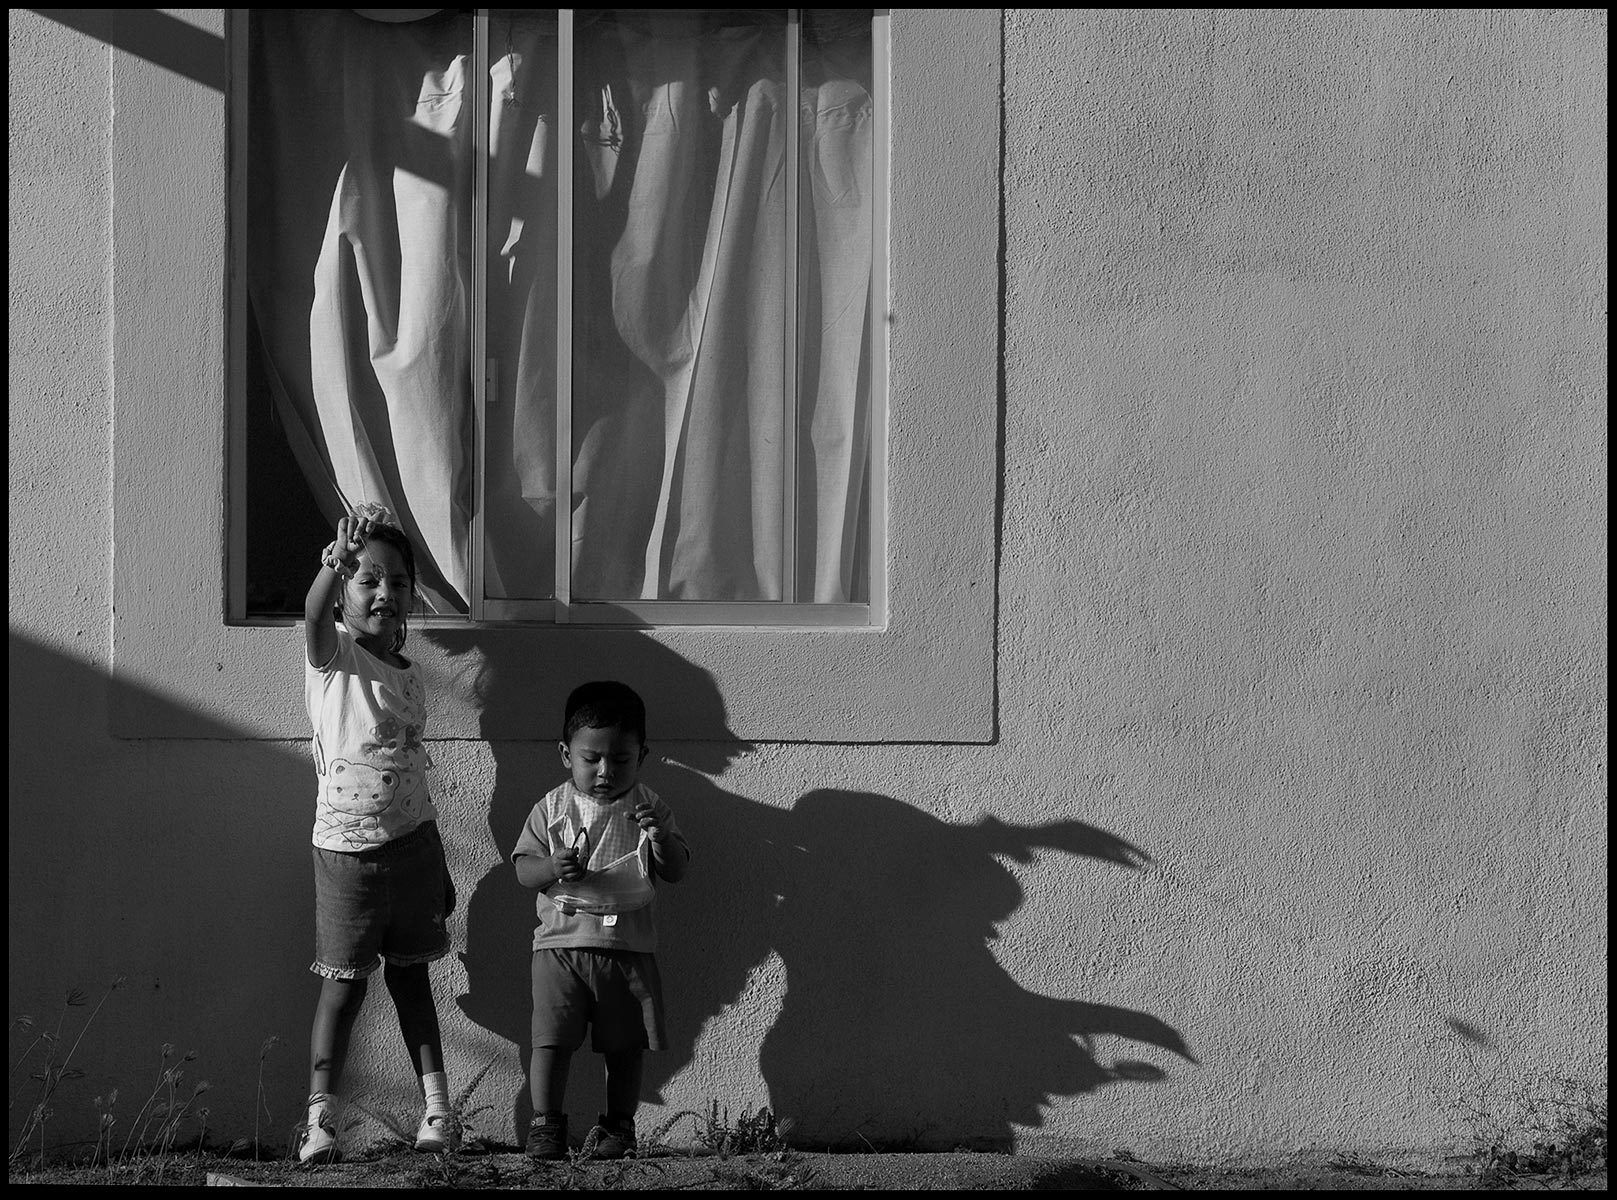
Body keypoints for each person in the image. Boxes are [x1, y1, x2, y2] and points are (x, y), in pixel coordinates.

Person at [295, 504, 459, 1164]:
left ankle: (440, 1115)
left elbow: (417, 776)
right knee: (342, 988)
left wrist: (440, 863)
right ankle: (320, 1124)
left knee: (413, 984)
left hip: (414, 853)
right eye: (367, 580)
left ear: (410, 593)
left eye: (395, 581)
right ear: (343, 591)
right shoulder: (333, 658)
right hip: (346, 860)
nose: (383, 593)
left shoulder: (412, 676)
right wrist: (332, 563)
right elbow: (310, 615)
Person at [512, 681, 691, 1160]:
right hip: (559, 949)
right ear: (565, 754)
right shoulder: (551, 808)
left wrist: (660, 841)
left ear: (643, 755)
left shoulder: (650, 808)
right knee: (550, 1041)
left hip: (628, 951)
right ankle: (546, 1124)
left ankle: (618, 1128)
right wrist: (552, 867)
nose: (606, 772)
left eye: (621, 760)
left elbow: (676, 870)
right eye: (592, 759)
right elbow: (523, 867)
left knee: (625, 1047)